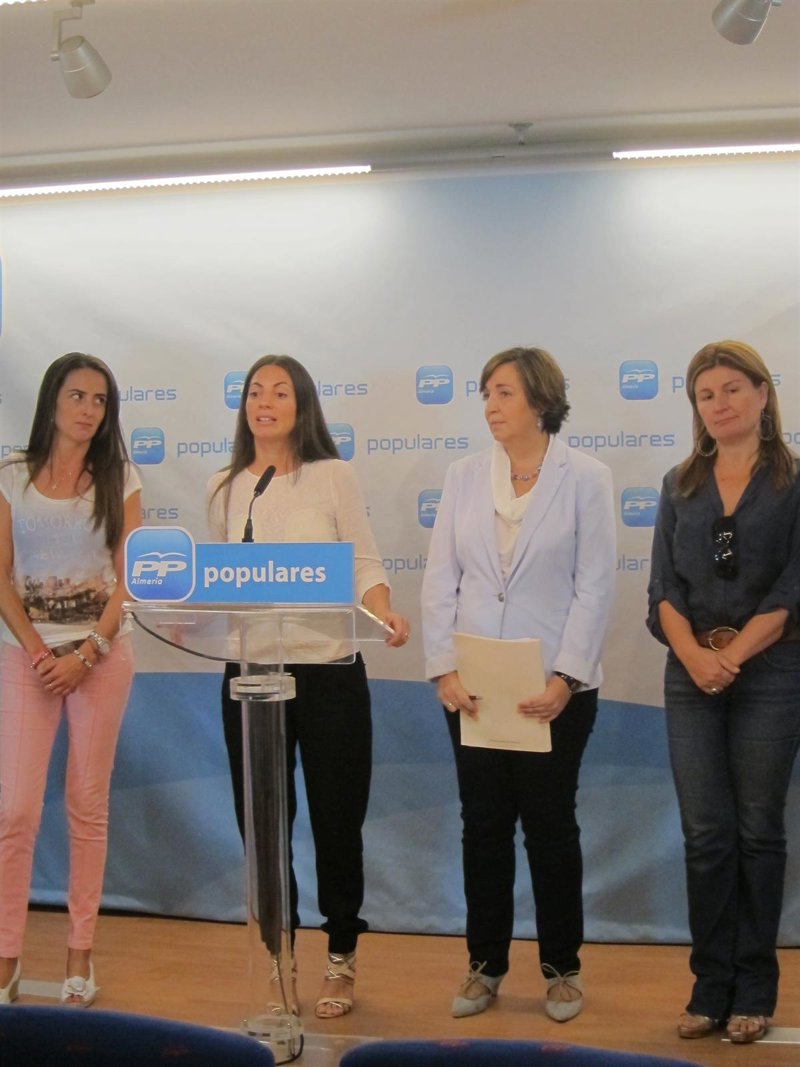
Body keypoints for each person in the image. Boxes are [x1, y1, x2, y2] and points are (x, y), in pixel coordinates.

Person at [207, 354, 410, 1020]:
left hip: (328, 670)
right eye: (254, 392)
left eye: (280, 392)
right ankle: (277, 957)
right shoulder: (225, 487)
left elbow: (364, 561)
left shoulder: (332, 475)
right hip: (251, 673)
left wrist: (383, 610)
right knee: (263, 827)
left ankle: (341, 955)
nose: (264, 402)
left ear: (302, 407)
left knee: (336, 821)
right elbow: (217, 582)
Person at [421, 346, 615, 1022]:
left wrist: (567, 677)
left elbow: (595, 584)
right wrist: (443, 667)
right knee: (483, 826)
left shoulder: (585, 477)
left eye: (503, 392)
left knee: (551, 826)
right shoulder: (464, 475)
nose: (491, 406)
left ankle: (562, 968)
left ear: (540, 399)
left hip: (555, 687)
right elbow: (441, 576)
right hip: (474, 684)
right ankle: (485, 965)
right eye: (486, 393)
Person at [647, 340, 800, 1045]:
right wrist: (694, 656)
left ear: (763, 394)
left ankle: (755, 988)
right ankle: (710, 986)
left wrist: (732, 656)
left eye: (733, 388)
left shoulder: (792, 484)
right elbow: (663, 588)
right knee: (706, 834)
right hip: (690, 673)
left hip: (771, 670)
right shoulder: (679, 483)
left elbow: (793, 589)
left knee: (758, 831)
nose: (720, 403)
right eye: (706, 394)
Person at [0, 353, 141, 1008]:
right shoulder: (11, 475)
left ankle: (80, 954)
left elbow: (131, 576)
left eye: (100, 400)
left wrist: (87, 653)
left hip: (101, 658)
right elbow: (1, 576)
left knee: (87, 803)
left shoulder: (121, 477)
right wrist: (37, 652)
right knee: (15, 810)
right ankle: (6, 957)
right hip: (25, 659)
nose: (88, 409)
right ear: (52, 400)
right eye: (77, 395)